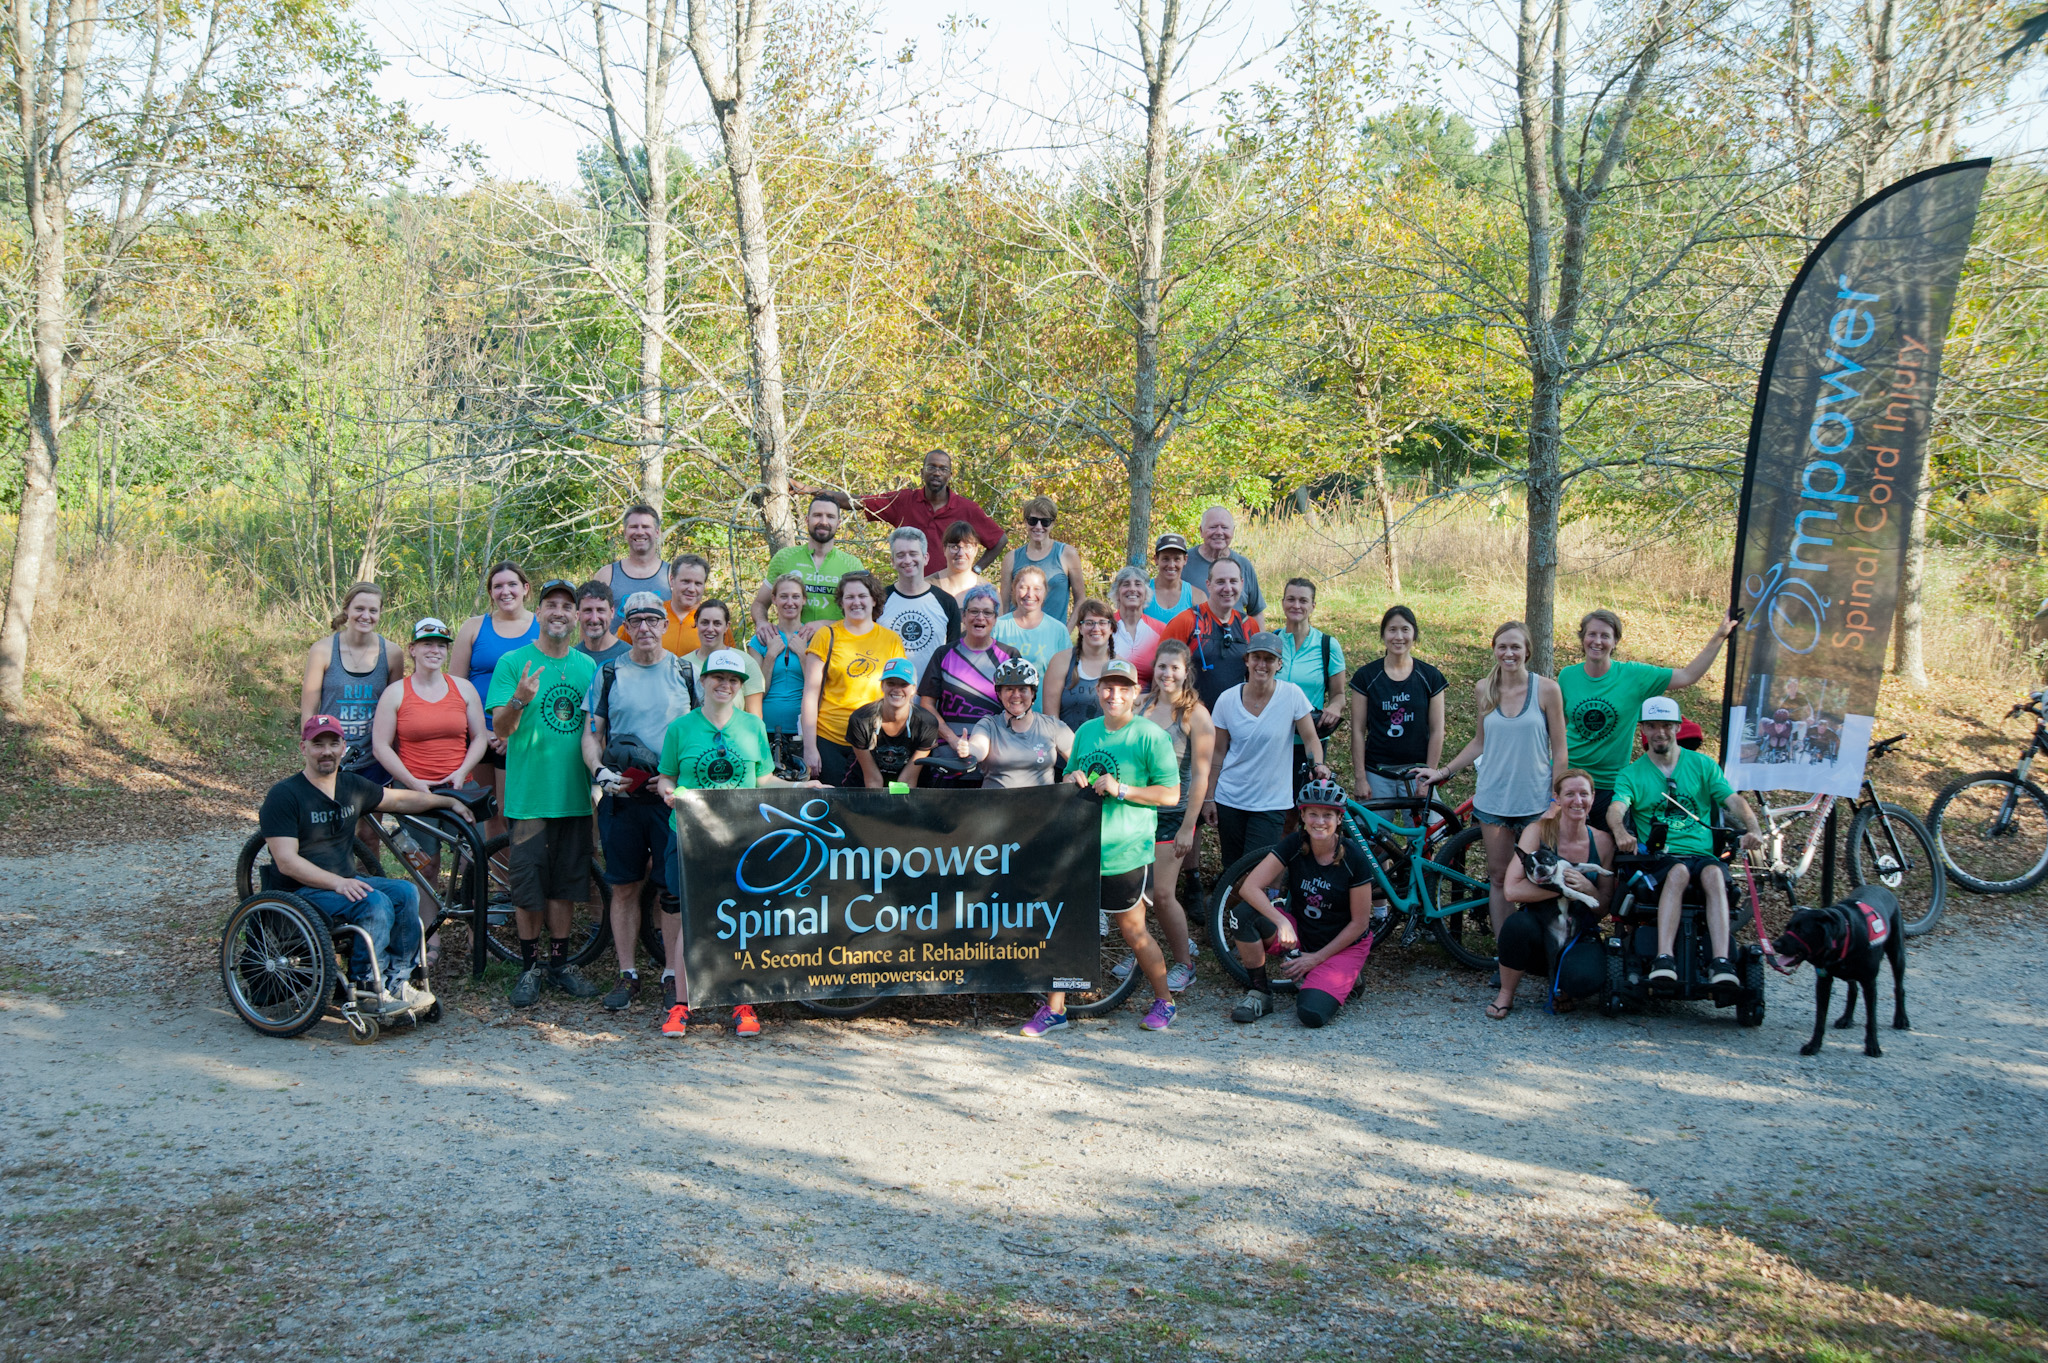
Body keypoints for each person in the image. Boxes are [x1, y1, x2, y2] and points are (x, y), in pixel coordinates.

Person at [260, 715, 473, 1014]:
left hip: (344, 883)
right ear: (303, 748)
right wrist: (338, 882)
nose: (326, 751)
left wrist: (447, 801)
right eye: (318, 744)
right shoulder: (284, 796)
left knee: (404, 893)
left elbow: (398, 800)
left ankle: (397, 981)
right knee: (373, 903)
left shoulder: (350, 786)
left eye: (333, 744)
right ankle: (366, 986)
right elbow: (286, 862)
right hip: (302, 892)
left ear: (343, 747)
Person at [657, 648, 815, 1038]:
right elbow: (665, 776)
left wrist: (802, 786)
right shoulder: (680, 728)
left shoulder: (752, 727)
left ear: (741, 687)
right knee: (692, 922)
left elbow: (762, 781)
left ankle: (742, 1001)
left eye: (733, 680)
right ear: (704, 682)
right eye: (718, 679)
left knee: (740, 922)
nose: (725, 686)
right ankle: (681, 1005)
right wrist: (669, 792)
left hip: (740, 840)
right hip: (690, 836)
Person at [1021, 660, 1183, 1037]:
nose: (1114, 695)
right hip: (1082, 848)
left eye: (1123, 688)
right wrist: (1071, 776)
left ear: (1135, 693)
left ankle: (1165, 1001)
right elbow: (1070, 775)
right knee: (1065, 929)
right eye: (1108, 687)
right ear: (1098, 691)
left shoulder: (1150, 736)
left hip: (1125, 851)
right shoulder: (1088, 731)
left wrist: (1122, 790)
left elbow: (1171, 795)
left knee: (1133, 932)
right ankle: (1055, 1010)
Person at [484, 578, 604, 1008]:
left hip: (574, 795)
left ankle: (560, 964)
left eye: (566, 606)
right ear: (539, 613)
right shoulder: (513, 662)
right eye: (550, 604)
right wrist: (519, 698)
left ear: (576, 617)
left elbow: (596, 731)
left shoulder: (588, 668)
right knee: (528, 885)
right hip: (529, 795)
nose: (558, 612)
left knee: (566, 885)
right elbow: (499, 731)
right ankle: (529, 967)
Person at [583, 591, 702, 1015]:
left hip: (671, 800)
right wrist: (600, 772)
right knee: (624, 884)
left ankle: (672, 974)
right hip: (623, 796)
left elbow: (701, 734)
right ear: (626, 627)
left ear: (665, 625)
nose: (646, 627)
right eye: (637, 621)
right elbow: (592, 733)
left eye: (654, 619)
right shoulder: (609, 673)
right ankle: (628, 974)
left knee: (672, 889)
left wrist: (679, 781)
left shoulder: (687, 672)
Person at [1414, 620, 1569, 947]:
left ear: (1528, 650)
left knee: (1540, 879)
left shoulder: (1547, 690)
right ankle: (1507, 954)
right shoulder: (1484, 689)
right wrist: (1443, 772)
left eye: (1516, 647)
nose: (1509, 653)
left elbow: (1560, 747)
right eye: (1503, 646)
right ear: (1494, 649)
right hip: (1493, 801)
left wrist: (1557, 800)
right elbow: (1479, 742)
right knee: (1499, 880)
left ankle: (1546, 954)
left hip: (1536, 804)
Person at [1606, 697, 1764, 996]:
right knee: (1678, 871)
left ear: (1677, 727)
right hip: (1660, 858)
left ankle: (1721, 962)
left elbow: (1733, 801)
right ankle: (1663, 957)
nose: (1659, 733)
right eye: (1652, 726)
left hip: (1702, 855)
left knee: (1714, 875)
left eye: (1666, 726)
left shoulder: (1702, 766)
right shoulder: (1632, 774)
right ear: (1643, 730)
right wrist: (1619, 832)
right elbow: (1617, 808)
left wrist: (1753, 829)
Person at [370, 617, 489, 965]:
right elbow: (382, 746)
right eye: (427, 644)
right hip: (415, 795)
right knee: (426, 866)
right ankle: (429, 936)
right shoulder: (396, 693)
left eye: (441, 645)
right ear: (413, 649)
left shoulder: (462, 688)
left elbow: (480, 736)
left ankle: (474, 933)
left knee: (473, 862)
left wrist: (463, 771)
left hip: (461, 791)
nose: (434, 650)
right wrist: (411, 780)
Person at [1558, 608, 1737, 826]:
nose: (1597, 641)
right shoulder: (1568, 676)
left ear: (1615, 642)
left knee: (1605, 850)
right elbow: (1559, 728)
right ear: (1583, 638)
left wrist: (1719, 636)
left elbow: (1687, 675)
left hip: (1610, 783)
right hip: (1569, 777)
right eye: (1591, 634)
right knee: (1560, 849)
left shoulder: (1634, 676)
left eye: (1605, 636)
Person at [1226, 778, 1374, 1027]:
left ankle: (1347, 976)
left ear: (1339, 819)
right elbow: (1250, 887)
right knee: (1242, 915)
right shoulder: (1295, 843)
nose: (1319, 821)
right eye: (1313, 814)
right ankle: (1260, 993)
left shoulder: (1354, 857)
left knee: (1311, 1014)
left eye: (1328, 815)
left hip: (1343, 945)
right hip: (1302, 931)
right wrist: (1280, 919)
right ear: (1303, 816)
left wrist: (1315, 959)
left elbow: (1360, 924)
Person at [1202, 632, 1334, 872]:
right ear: (1247, 660)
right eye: (1257, 658)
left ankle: (1245, 908)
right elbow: (1218, 753)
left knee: (1258, 869)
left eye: (1269, 659)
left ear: (1279, 664)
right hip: (1231, 798)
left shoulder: (1292, 695)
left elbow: (1310, 739)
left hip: (1271, 802)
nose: (1262, 665)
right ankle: (1229, 908)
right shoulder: (1227, 700)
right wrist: (1209, 797)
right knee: (1232, 868)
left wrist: (1318, 765)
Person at [1493, 769, 1614, 1020]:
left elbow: (1603, 907)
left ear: (1593, 798)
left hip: (1580, 932)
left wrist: (1588, 889)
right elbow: (1511, 889)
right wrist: (1562, 889)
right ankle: (1505, 994)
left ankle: (1566, 986)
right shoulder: (1538, 831)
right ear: (1557, 798)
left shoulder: (1603, 842)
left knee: (1584, 980)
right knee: (1516, 925)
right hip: (1539, 927)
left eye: (1584, 794)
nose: (1577, 801)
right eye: (1569, 794)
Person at [1140, 639, 1212, 994]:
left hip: (1173, 815)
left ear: (1186, 672)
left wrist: (1189, 827)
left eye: (1175, 668)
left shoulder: (1195, 714)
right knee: (1137, 893)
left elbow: (1201, 774)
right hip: (1137, 812)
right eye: (1162, 666)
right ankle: (1143, 954)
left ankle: (1185, 963)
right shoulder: (1140, 706)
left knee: (1163, 894)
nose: (1167, 673)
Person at [450, 561, 539, 841]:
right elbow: (456, 686)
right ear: (490, 592)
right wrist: (483, 732)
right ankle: (498, 881)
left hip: (523, 734)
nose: (505, 591)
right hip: (480, 734)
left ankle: (521, 879)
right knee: (489, 812)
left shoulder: (540, 627)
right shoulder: (474, 627)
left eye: (512, 584)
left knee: (512, 812)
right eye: (497, 586)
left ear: (525, 589)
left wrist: (512, 733)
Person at [801, 571, 906, 787]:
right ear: (841, 602)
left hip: (875, 741)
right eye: (849, 597)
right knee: (833, 811)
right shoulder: (826, 636)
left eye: (862, 596)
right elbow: (810, 694)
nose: (856, 602)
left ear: (874, 599)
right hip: (830, 739)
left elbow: (899, 694)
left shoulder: (891, 640)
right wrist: (809, 748)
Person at [300, 581, 406, 783]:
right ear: (346, 609)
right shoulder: (322, 651)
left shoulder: (392, 653)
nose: (366, 616)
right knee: (331, 814)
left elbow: (396, 710)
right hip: (330, 756)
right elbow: (308, 712)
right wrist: (313, 753)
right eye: (359, 609)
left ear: (380, 613)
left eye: (373, 610)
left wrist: (396, 753)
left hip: (374, 758)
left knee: (370, 815)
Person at [917, 585, 1017, 787]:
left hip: (994, 761)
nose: (980, 617)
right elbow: (926, 705)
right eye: (974, 611)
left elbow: (1018, 708)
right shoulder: (943, 654)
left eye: (987, 612)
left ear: (995, 619)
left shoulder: (1009, 656)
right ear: (963, 616)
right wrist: (952, 739)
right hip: (948, 757)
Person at [1347, 605, 1447, 801]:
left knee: (1429, 831)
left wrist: (1429, 774)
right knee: (1374, 831)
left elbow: (1437, 730)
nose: (1398, 637)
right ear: (1383, 635)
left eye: (1405, 629)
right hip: (1377, 772)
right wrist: (1360, 778)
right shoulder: (1365, 677)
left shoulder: (1430, 676)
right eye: (1392, 630)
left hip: (1418, 772)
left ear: (1414, 634)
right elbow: (1357, 731)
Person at [854, 447, 1005, 577]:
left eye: (943, 469)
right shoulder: (904, 501)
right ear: (922, 472)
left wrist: (975, 571)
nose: (937, 473)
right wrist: (830, 499)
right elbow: (860, 501)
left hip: (950, 592)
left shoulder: (967, 509)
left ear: (950, 475)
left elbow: (999, 540)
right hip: (913, 591)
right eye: (931, 467)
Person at [1157, 556, 1261, 710]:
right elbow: (1160, 671)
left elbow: (1257, 675)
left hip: (1236, 717)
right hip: (1191, 716)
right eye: (1220, 582)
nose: (1227, 588)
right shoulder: (1186, 622)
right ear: (1209, 585)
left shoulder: (1249, 625)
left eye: (1233, 581)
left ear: (1242, 584)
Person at [753, 491, 864, 632]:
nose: (823, 522)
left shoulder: (852, 564)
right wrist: (762, 623)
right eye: (817, 515)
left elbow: (864, 616)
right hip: (793, 645)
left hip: (836, 646)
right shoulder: (784, 557)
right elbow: (760, 603)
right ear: (807, 520)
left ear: (838, 523)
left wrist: (825, 625)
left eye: (830, 517)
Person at [1274, 578, 1346, 791]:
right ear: (1282, 603)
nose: (1297, 605)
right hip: (1272, 739)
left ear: (1313, 606)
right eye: (1291, 599)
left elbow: (1339, 694)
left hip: (1308, 740)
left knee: (1301, 806)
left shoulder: (1327, 645)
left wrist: (1334, 707)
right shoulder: (1272, 642)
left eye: (1303, 600)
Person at [962, 658, 1072, 788]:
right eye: (1009, 689)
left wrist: (1071, 777)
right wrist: (969, 749)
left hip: (1042, 806)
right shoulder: (989, 724)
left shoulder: (1052, 726)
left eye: (1022, 689)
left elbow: (1081, 759)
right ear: (999, 694)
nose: (1016, 695)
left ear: (1032, 693)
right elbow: (979, 747)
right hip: (995, 805)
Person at [876, 526, 961, 684]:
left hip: (932, 700)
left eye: (913, 554)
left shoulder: (946, 602)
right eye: (900, 555)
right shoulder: (879, 600)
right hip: (887, 698)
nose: (907, 560)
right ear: (893, 561)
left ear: (926, 558)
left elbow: (953, 657)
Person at [748, 572, 810, 779]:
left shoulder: (814, 639)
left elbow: (820, 690)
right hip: (765, 729)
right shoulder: (761, 639)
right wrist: (771, 655)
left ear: (804, 599)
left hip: (803, 731)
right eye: (783, 596)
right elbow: (757, 692)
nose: (789, 602)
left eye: (795, 596)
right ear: (773, 599)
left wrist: (802, 655)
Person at [845, 658, 940, 787]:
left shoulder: (927, 723)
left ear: (913, 689)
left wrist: (897, 806)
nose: (897, 689)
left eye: (904, 684)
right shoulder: (861, 720)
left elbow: (907, 781)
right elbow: (873, 780)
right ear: (882, 686)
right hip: (863, 786)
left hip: (906, 785)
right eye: (891, 683)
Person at [994, 566, 1070, 713]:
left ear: (1045, 592)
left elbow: (1066, 679)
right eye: (1023, 587)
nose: (1030, 594)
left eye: (1037, 589)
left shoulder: (1058, 631)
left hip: (1044, 717)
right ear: (1014, 590)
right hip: (1002, 718)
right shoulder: (998, 627)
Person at [1000, 496, 1085, 624]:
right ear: (1025, 522)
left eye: (1045, 522)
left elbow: (1081, 600)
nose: (1038, 527)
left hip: (1053, 639)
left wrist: (1066, 632)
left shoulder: (1067, 554)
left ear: (1053, 523)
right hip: (1017, 637)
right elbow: (1004, 605)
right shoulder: (1011, 558)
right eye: (1033, 521)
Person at [1044, 598, 1118, 730]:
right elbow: (1050, 718)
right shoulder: (1061, 661)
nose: (1096, 628)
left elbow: (1124, 719)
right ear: (1080, 628)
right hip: (1067, 747)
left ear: (1111, 628)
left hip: (1108, 748)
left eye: (1102, 623)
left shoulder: (1120, 666)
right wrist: (1070, 748)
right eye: (1089, 623)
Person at [617, 553, 711, 657]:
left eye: (698, 583)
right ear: (672, 580)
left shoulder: (713, 622)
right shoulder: (650, 613)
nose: (692, 589)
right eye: (685, 581)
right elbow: (616, 651)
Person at [683, 599, 765, 718]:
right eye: (705, 622)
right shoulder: (682, 665)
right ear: (696, 623)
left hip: (735, 735)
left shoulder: (745, 662)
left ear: (727, 626)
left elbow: (755, 717)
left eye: (717, 623)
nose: (710, 629)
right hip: (691, 735)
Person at [1182, 506, 1265, 618]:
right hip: (1194, 633)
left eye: (1225, 527)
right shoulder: (1183, 562)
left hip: (1237, 634)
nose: (1219, 532)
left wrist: (1259, 636)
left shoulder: (1244, 565)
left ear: (1233, 531)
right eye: (1213, 527)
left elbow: (1256, 612)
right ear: (1201, 531)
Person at [594, 503, 672, 604]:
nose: (640, 532)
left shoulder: (672, 575)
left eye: (646, 527)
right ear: (625, 533)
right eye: (634, 527)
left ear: (657, 532)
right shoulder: (606, 576)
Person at [1109, 566, 1163, 684]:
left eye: (1138, 584)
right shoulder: (1104, 626)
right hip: (1111, 696)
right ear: (1117, 593)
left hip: (1148, 697)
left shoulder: (1161, 630)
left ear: (1146, 593)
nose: (1132, 589)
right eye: (1126, 584)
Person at [1144, 533, 1207, 626]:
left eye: (1177, 559)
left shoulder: (1197, 597)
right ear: (1156, 559)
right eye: (1165, 559)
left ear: (1185, 560)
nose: (1171, 565)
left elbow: (1205, 635)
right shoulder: (1142, 592)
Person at [930, 521, 991, 602]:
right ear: (944, 549)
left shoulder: (990, 592)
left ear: (976, 549)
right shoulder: (927, 587)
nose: (961, 553)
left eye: (967, 547)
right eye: (955, 547)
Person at [575, 580, 632, 665]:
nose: (594, 619)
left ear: (612, 612)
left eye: (601, 610)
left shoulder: (630, 657)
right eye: (588, 610)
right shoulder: (572, 659)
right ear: (578, 614)